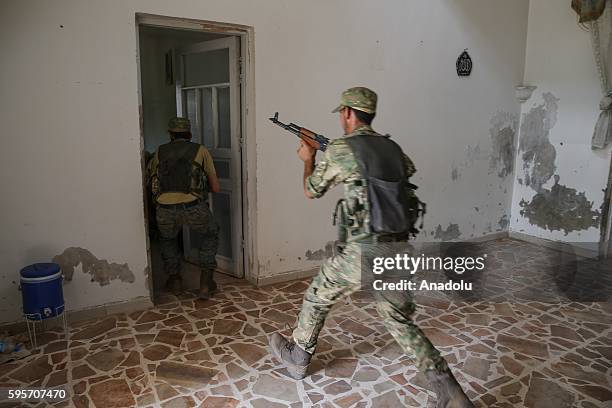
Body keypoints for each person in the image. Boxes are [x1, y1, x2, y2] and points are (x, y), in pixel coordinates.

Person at [269, 88, 474, 407]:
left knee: (319, 294)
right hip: (399, 250)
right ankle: (448, 389)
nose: (341, 117)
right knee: (399, 319)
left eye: (342, 112)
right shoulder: (393, 148)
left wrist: (308, 160)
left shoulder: (341, 149)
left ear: (349, 113)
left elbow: (312, 191)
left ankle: (297, 356)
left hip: (362, 254)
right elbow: (401, 171)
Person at [149, 117, 220, 300]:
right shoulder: (200, 150)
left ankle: (175, 281)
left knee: (167, 240)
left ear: (170, 134)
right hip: (193, 206)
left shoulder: (159, 151)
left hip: (164, 208)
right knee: (210, 233)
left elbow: (153, 180)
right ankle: (206, 283)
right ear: (189, 133)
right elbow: (216, 187)